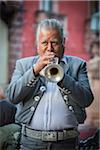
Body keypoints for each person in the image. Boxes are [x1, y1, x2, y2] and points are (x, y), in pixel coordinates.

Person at [7, 19, 94, 150]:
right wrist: (34, 71)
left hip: (66, 143)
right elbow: (12, 96)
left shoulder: (78, 65)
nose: (50, 48)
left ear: (63, 42)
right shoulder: (23, 65)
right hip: (31, 142)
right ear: (37, 45)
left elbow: (86, 99)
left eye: (54, 42)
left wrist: (63, 78)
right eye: (44, 43)